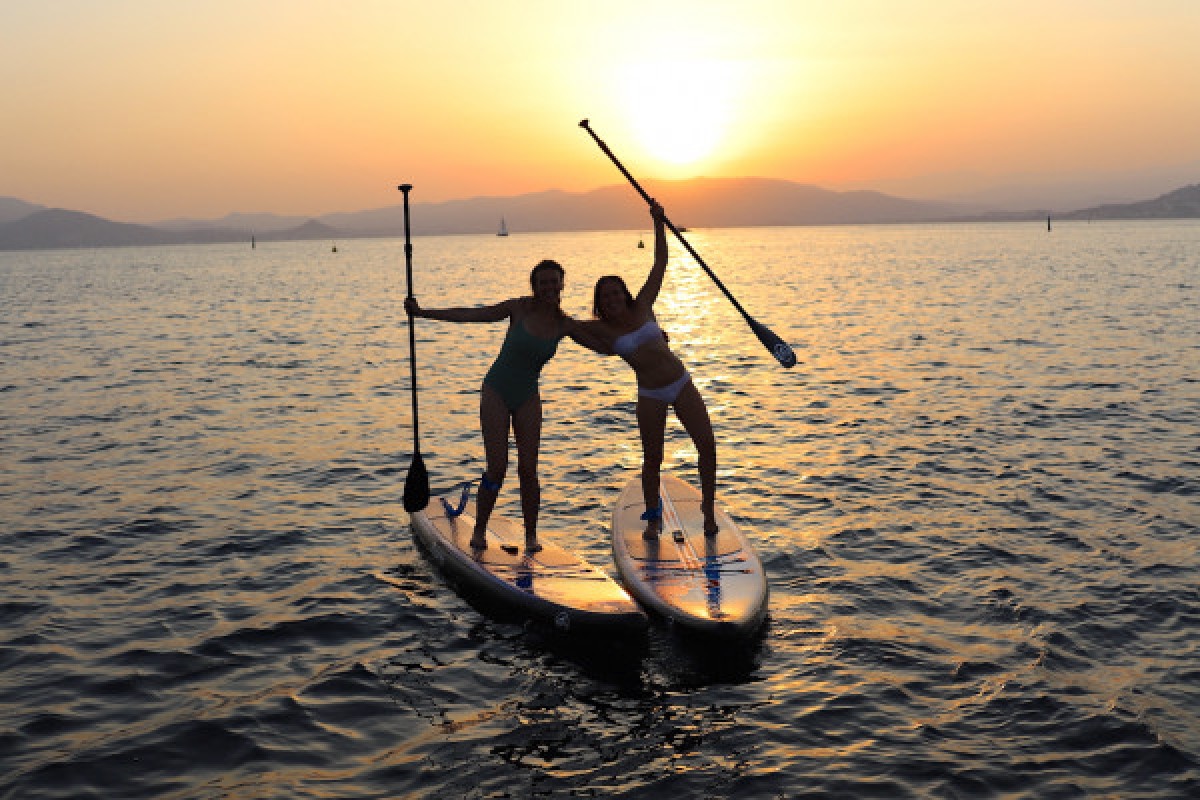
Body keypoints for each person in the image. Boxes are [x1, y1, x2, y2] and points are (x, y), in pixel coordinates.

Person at [405, 259, 600, 553]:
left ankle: (531, 536)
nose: (548, 287)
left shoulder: (565, 324)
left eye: (553, 281)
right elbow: (472, 315)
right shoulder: (518, 308)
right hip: (496, 391)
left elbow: (604, 344)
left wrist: (647, 342)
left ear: (562, 284)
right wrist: (423, 313)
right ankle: (479, 530)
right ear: (534, 286)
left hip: (528, 396)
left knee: (528, 470)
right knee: (497, 468)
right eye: (543, 282)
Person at [578, 201, 720, 539]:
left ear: (624, 293)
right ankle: (654, 519)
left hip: (680, 383)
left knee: (707, 445)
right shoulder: (601, 331)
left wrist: (658, 221)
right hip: (650, 394)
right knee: (653, 459)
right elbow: (564, 327)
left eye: (616, 292)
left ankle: (708, 509)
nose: (612, 298)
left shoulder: (643, 304)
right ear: (599, 303)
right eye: (605, 296)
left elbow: (660, 263)